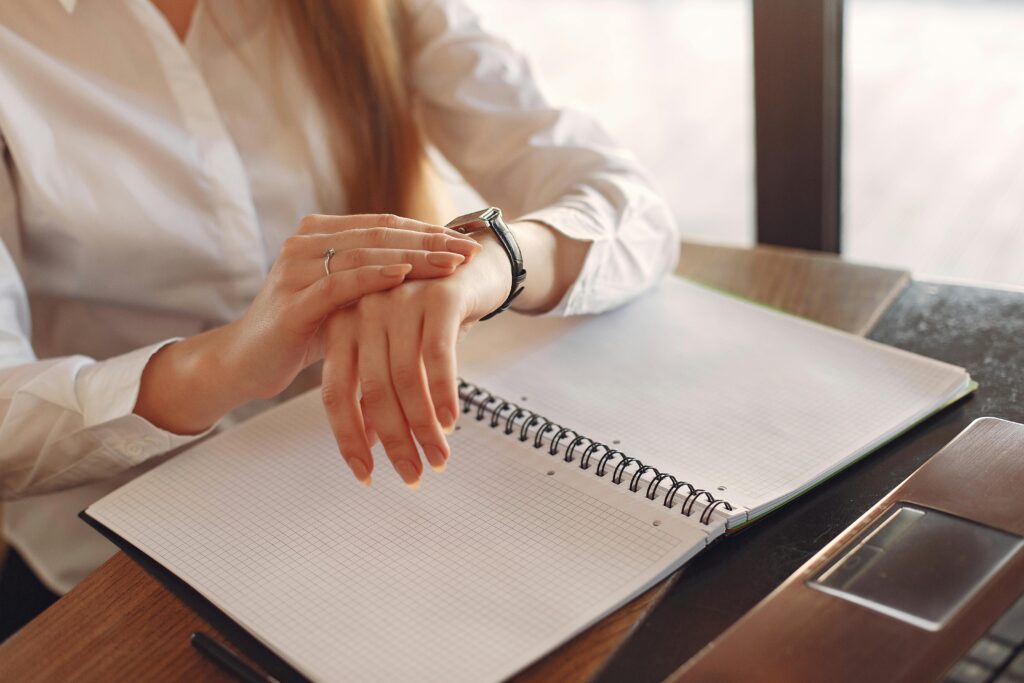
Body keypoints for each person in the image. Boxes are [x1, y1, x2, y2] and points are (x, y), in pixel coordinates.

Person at [0, 0, 678, 638]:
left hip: (378, 509)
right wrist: (223, 363)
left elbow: (633, 210)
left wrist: (487, 263)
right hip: (109, 576)